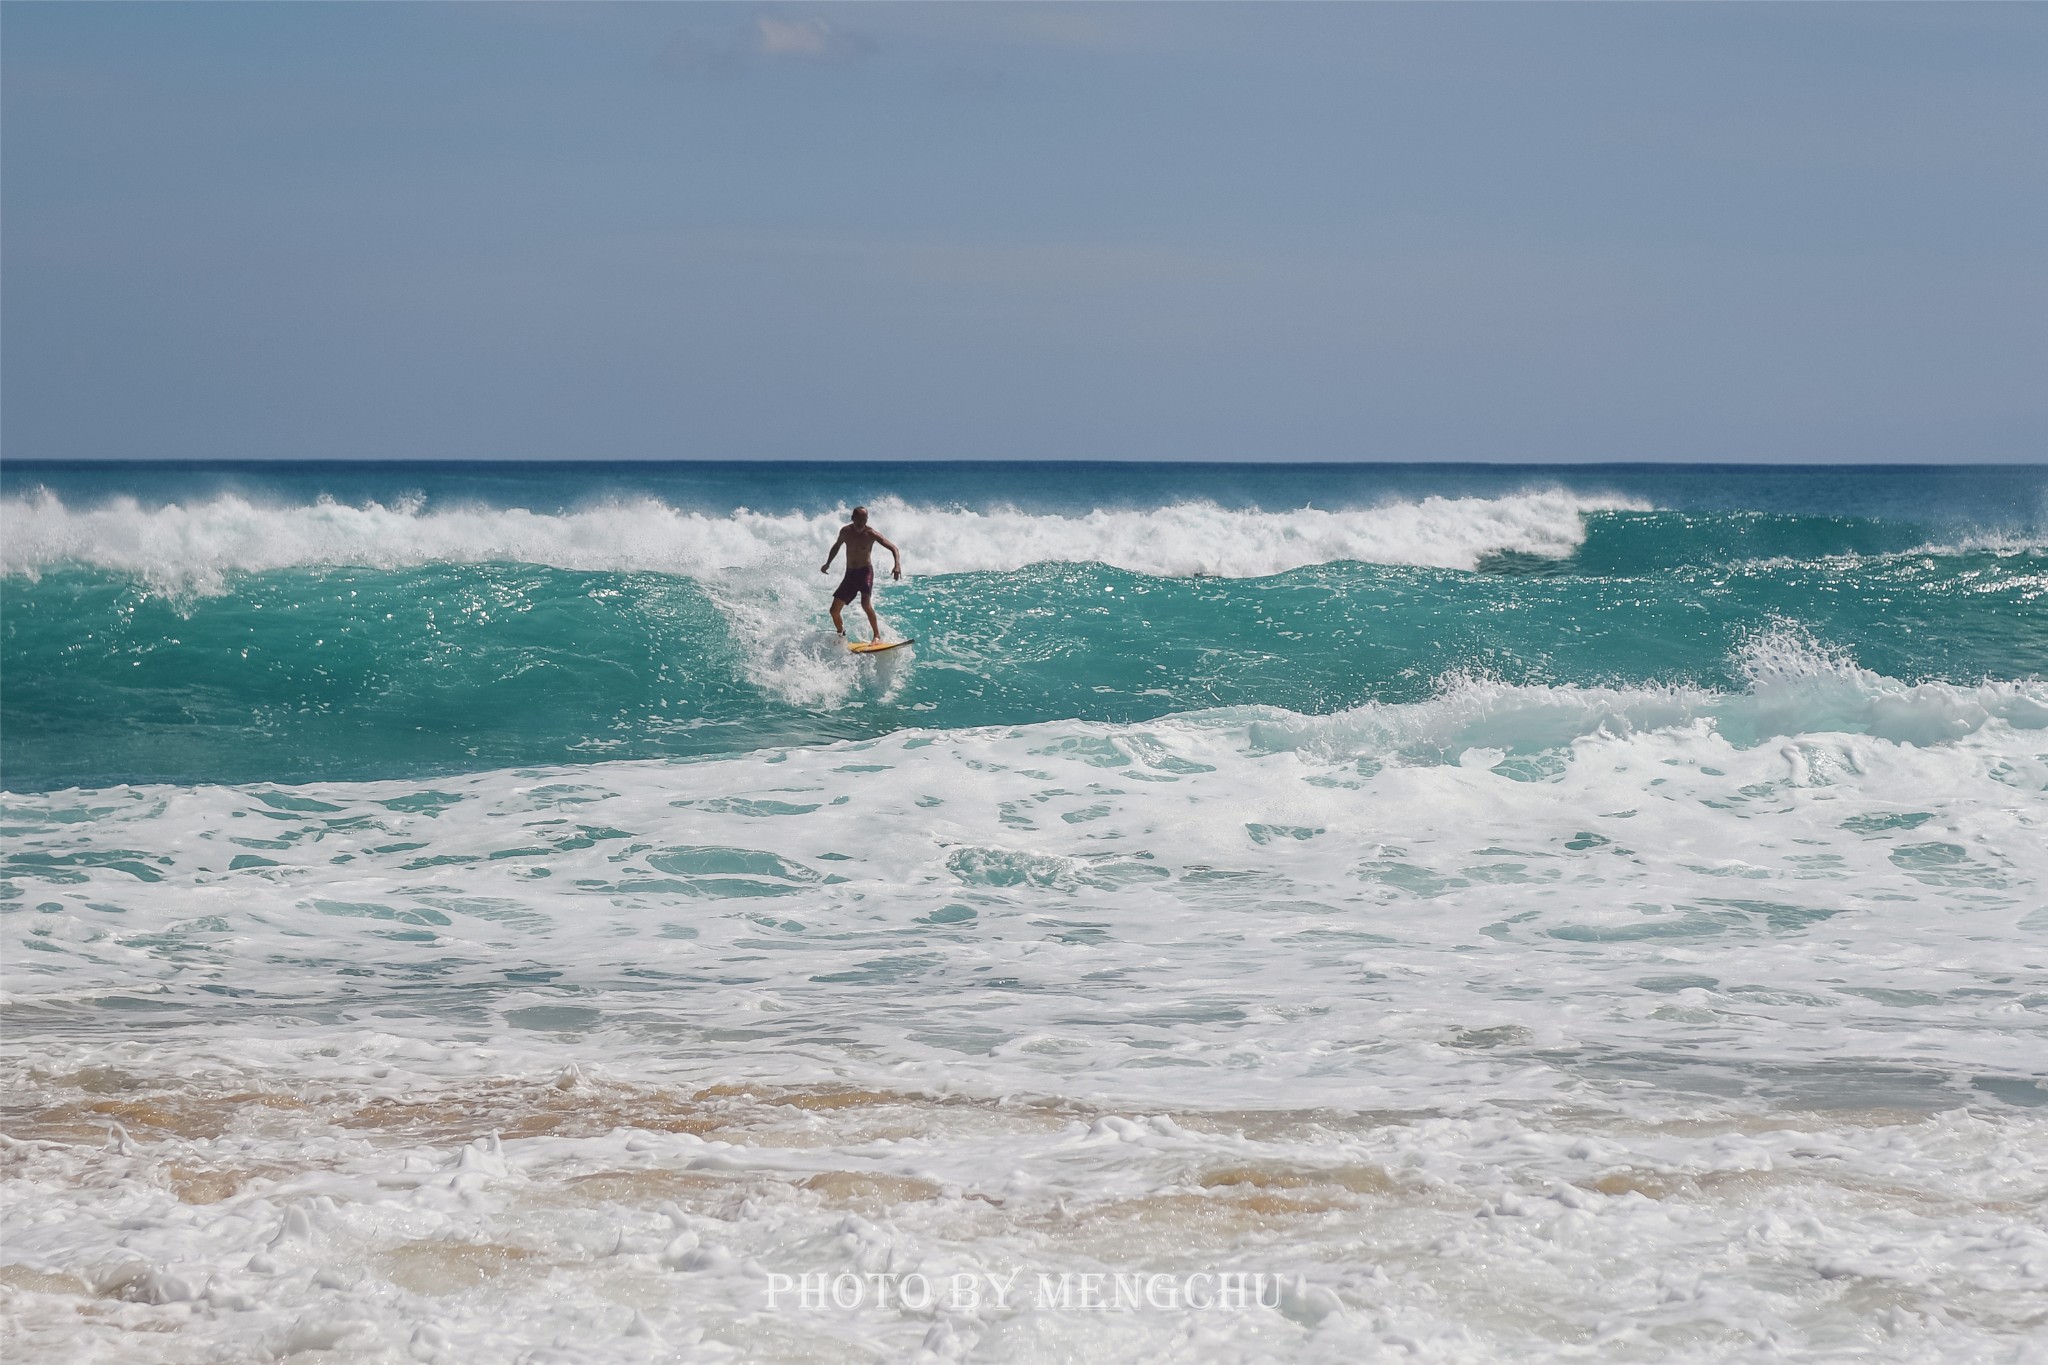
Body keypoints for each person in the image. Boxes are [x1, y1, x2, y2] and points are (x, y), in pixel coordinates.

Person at [821, 506, 902, 641]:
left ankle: (876, 635)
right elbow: (836, 546)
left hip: (865, 572)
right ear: (852, 518)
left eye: (864, 520)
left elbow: (894, 547)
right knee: (834, 610)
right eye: (859, 520)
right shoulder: (845, 531)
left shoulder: (871, 534)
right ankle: (841, 635)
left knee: (865, 604)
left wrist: (897, 565)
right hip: (850, 574)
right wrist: (828, 563)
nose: (861, 523)